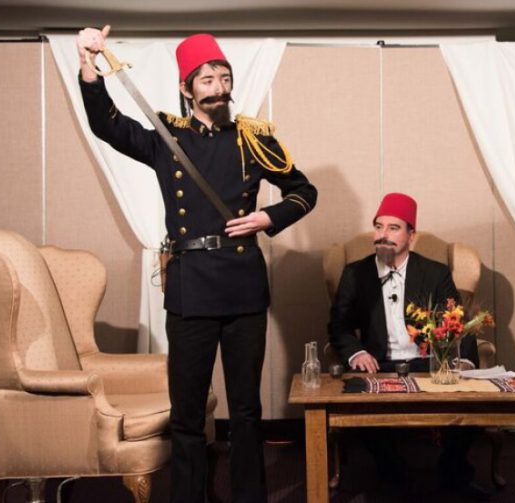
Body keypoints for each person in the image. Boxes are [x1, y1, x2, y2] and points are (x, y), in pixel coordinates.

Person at [76, 26, 317, 503]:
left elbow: (304, 192)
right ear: (186, 89)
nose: (218, 87)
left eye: (224, 77)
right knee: (187, 415)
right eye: (206, 79)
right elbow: (107, 124)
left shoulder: (253, 140)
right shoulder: (167, 139)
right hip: (190, 287)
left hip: (244, 287)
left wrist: (268, 217)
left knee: (246, 411)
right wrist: (88, 63)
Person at [328, 192, 489, 500]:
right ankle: (392, 472)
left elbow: (455, 320)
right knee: (356, 404)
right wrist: (357, 352)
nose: (383, 235)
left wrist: (463, 363)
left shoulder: (435, 272)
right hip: (379, 365)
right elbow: (339, 325)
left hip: (428, 363)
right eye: (378, 227)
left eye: (393, 228)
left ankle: (453, 472)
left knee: (471, 402)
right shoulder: (355, 273)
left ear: (411, 236)